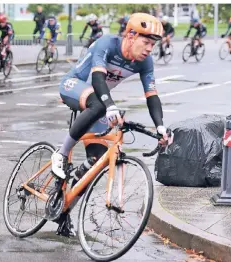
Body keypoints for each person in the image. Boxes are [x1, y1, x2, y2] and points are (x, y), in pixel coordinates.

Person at [51, 13, 173, 237]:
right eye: (146, 42)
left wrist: (160, 127)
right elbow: (97, 79)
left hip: (99, 100)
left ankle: (63, 211)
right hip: (74, 85)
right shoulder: (107, 44)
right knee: (98, 106)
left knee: (95, 163)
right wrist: (110, 105)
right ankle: (61, 153)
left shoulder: (144, 62)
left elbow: (152, 95)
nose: (149, 49)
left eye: (153, 44)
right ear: (130, 35)